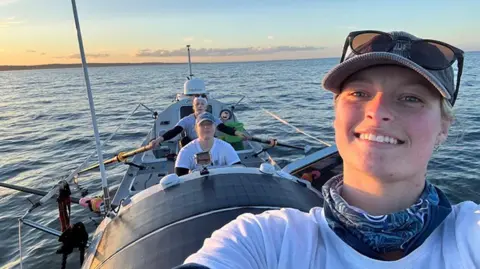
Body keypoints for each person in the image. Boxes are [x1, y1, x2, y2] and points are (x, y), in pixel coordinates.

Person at [175, 31, 479, 268]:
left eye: (411, 98)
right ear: (336, 117)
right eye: (359, 93)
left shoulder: (471, 237)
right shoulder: (265, 241)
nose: (378, 111)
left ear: (444, 127)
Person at [149, 96, 248, 148]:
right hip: (192, 143)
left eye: (202, 104)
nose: (200, 106)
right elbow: (175, 130)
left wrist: (237, 133)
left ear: (205, 107)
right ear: (194, 107)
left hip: (209, 141)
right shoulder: (186, 120)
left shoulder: (212, 118)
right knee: (183, 141)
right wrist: (159, 140)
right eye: (197, 104)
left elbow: (223, 128)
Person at [175, 112, 242, 176]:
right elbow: (180, 179)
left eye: (209, 124)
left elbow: (239, 173)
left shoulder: (226, 147)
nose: (206, 127)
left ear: (215, 127)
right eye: (202, 124)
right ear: (196, 128)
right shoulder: (185, 151)